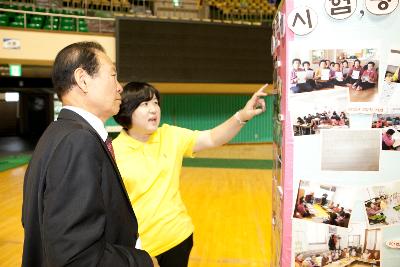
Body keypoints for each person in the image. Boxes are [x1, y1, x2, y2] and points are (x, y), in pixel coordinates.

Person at [21, 42, 155, 267]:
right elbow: (76, 258)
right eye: (113, 75)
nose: (120, 87)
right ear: (83, 79)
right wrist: (141, 261)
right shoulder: (77, 141)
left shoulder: (56, 134)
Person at [113, 82, 266, 267]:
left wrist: (242, 116)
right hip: (139, 247)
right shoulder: (113, 152)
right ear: (127, 111)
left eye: (155, 102)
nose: (153, 109)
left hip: (178, 237)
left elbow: (211, 138)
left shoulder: (170, 136)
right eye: (145, 104)